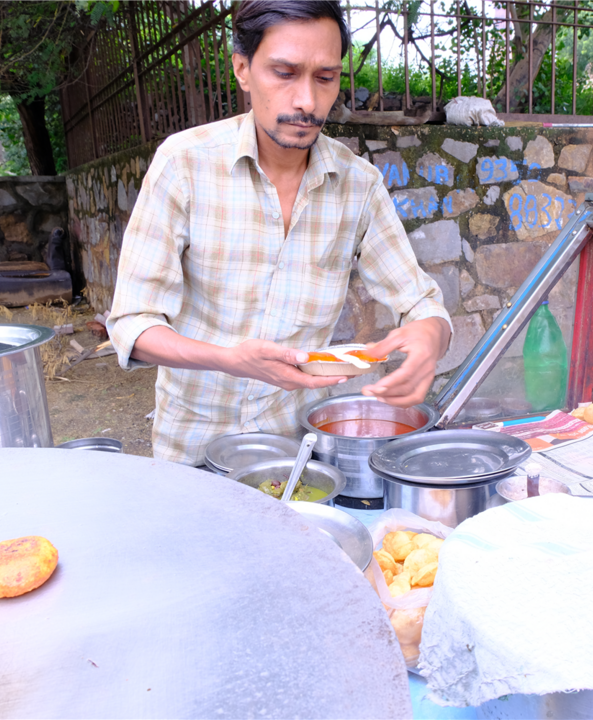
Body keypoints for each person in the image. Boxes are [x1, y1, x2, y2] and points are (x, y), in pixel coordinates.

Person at [107, 0, 452, 466]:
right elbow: (133, 324)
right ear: (243, 69)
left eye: (325, 77)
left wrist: (429, 337)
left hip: (299, 452)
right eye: (284, 73)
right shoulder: (184, 164)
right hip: (191, 449)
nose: (307, 101)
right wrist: (229, 358)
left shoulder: (358, 185)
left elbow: (421, 303)